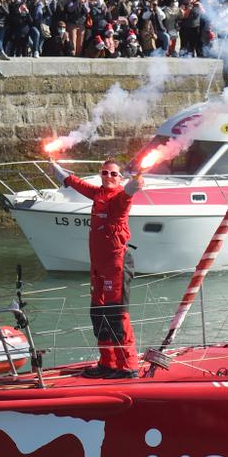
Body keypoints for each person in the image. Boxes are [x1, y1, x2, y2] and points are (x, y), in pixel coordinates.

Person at [48, 159, 144, 378]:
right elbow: (79, 185)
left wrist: (137, 180)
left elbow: (130, 191)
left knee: (116, 315)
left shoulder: (119, 198)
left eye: (114, 174)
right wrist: (58, 171)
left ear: (119, 178)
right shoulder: (99, 194)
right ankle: (108, 363)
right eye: (105, 173)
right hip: (98, 265)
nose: (109, 176)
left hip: (116, 264)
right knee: (98, 313)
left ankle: (127, 366)